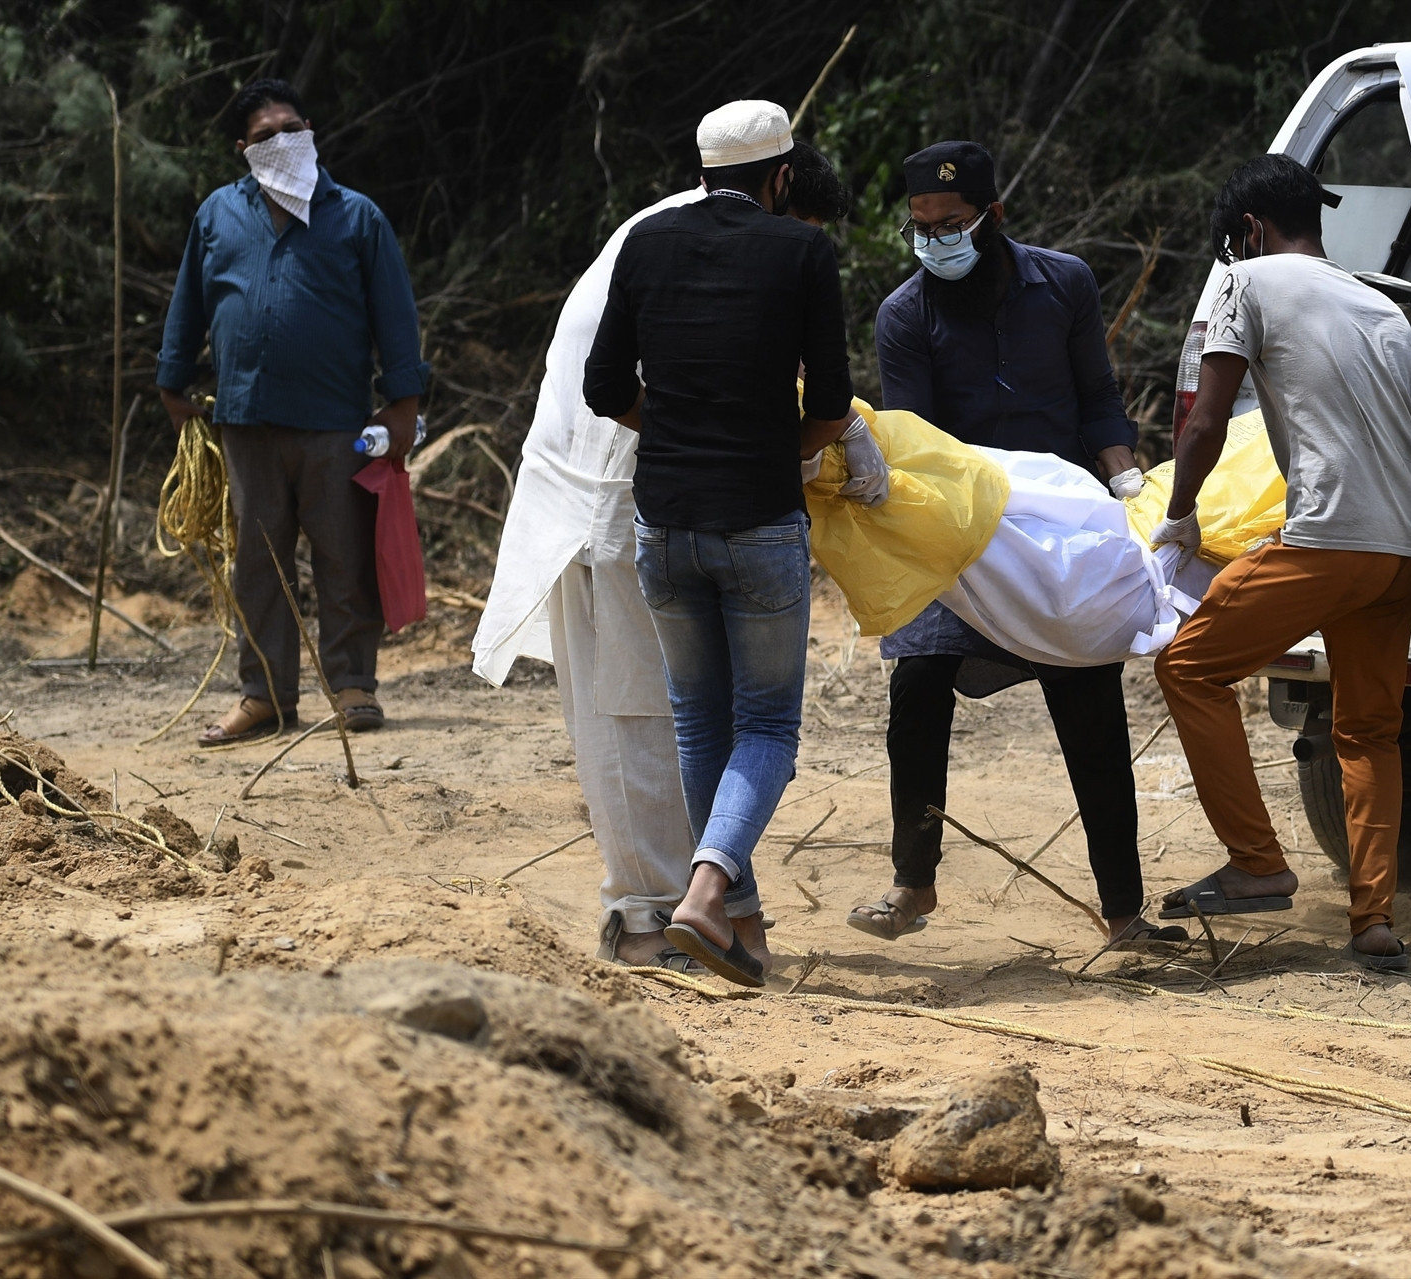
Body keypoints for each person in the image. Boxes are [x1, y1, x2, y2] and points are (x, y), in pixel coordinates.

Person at [473, 143, 853, 973]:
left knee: (691, 718)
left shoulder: (662, 236)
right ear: (780, 190)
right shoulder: (734, 251)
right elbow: (784, 396)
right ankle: (648, 914)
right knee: (647, 713)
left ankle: (725, 911)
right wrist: (788, 448)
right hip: (617, 501)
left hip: (652, 502)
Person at [848, 139, 1182, 950]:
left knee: (1091, 708)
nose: (936, 240)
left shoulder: (1062, 282)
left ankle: (1125, 911)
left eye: (952, 223)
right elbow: (919, 442)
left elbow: (1098, 399)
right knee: (918, 687)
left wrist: (1128, 485)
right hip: (959, 534)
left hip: (1061, 527)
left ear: (994, 216)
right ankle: (912, 883)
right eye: (922, 226)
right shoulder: (905, 314)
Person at [584, 101, 881, 987]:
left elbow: (606, 388)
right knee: (767, 727)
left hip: (663, 523)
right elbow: (830, 409)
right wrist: (768, 444)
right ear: (781, 177)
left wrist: (674, 429)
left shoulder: (646, 244)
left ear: (705, 171)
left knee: (699, 719)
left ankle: (740, 929)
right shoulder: (801, 251)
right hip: (756, 523)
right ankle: (706, 893)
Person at [1150, 154, 1411, 971]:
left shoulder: (1248, 283)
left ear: (1249, 232)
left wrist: (1178, 517)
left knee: (1189, 668)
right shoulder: (1380, 305)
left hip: (1330, 542)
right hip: (1402, 549)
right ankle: (1373, 919)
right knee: (1369, 729)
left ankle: (1257, 861)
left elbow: (1202, 424)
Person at [157, 78, 427, 746]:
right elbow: (189, 302)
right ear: (243, 149)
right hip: (245, 419)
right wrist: (172, 383)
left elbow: (395, 316)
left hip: (336, 421)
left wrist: (403, 406)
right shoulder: (218, 215)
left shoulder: (355, 216)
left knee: (344, 556)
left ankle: (353, 685)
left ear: (310, 131)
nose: (282, 141)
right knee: (258, 562)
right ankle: (265, 695)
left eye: (291, 127)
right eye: (265, 134)